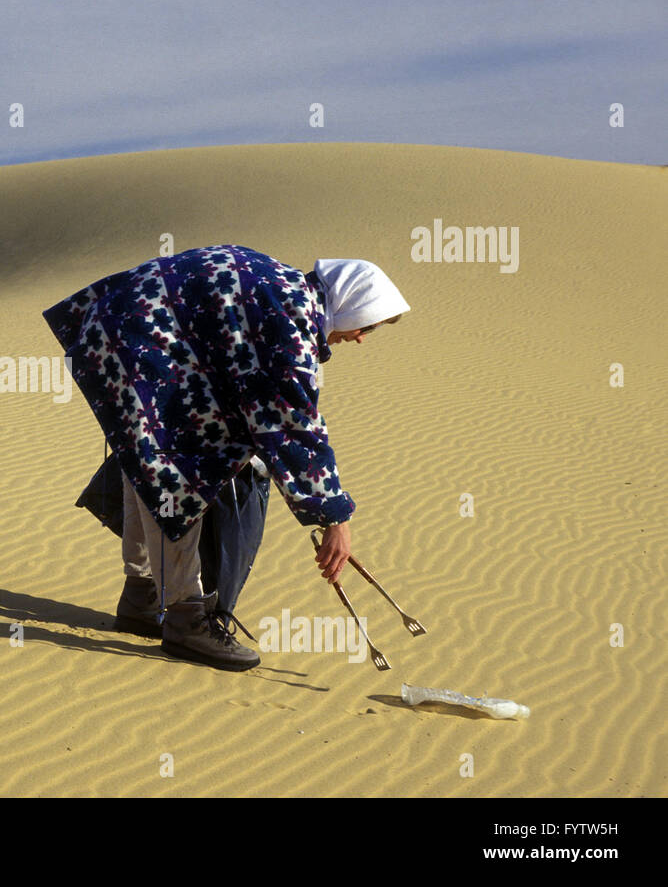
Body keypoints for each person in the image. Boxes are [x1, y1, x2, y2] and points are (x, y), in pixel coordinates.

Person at [45, 247, 410, 670]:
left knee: (148, 452)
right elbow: (295, 425)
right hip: (138, 343)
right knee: (178, 467)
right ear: (349, 304)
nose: (362, 338)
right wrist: (334, 517)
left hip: (114, 331)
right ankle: (184, 616)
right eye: (366, 325)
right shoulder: (287, 320)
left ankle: (141, 595)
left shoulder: (282, 287)